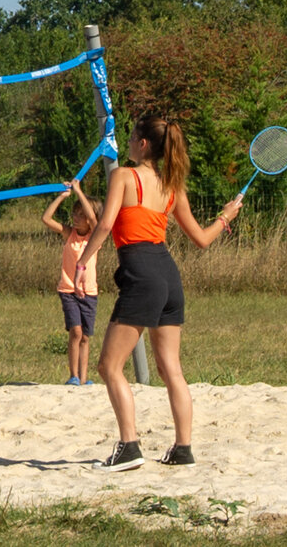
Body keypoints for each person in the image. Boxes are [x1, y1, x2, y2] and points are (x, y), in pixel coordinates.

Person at [75, 115, 243, 472]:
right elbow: (201, 239)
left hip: (142, 274)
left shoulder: (124, 175)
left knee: (108, 366)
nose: (129, 142)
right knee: (172, 370)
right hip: (169, 275)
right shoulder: (173, 185)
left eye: (132, 137)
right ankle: (183, 449)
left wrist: (82, 263)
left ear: (144, 145)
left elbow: (105, 224)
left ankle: (129, 447)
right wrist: (226, 217)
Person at [41, 178, 99, 386]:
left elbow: (94, 219)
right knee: (76, 332)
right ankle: (73, 376)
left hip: (89, 292)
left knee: (85, 337)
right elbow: (46, 218)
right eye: (75, 213)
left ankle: (84, 378)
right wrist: (63, 196)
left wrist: (79, 191)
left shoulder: (95, 236)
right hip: (68, 289)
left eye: (81, 214)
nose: (76, 217)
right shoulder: (70, 234)